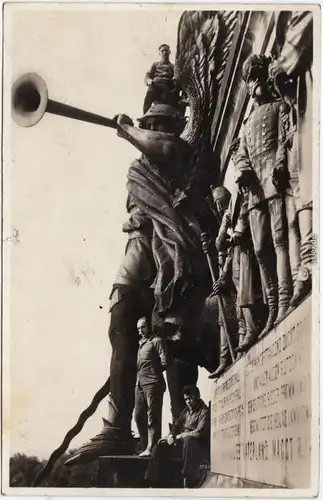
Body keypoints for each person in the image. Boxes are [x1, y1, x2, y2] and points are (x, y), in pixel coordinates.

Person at [235, 54, 295, 338]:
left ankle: (284, 299)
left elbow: (284, 139)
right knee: (260, 249)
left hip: (273, 179)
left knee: (280, 239)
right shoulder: (246, 124)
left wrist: (281, 162)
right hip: (254, 191)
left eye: (255, 79)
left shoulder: (278, 106)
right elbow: (241, 154)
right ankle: (272, 307)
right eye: (249, 81)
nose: (253, 86)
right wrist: (243, 170)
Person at [269, 11, 313, 309]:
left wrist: (278, 67)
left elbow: (288, 56)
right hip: (303, 117)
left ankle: (308, 267)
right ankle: (307, 266)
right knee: (303, 196)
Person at [145, 385, 210, 488]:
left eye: (190, 398)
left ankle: (188, 478)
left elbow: (199, 432)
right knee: (160, 446)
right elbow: (176, 426)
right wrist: (171, 435)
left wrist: (182, 435)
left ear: (197, 396)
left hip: (195, 445)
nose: (188, 402)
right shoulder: (186, 411)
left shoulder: (204, 411)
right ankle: (152, 480)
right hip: (181, 443)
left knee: (189, 440)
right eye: (186, 399)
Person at [134, 317, 168, 456]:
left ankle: (152, 447)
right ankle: (145, 445)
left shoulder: (157, 341)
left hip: (153, 383)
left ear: (149, 327)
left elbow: (165, 361)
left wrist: (154, 371)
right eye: (138, 329)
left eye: (143, 327)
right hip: (140, 384)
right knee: (138, 415)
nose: (141, 331)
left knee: (152, 416)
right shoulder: (141, 343)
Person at [143, 44, 177, 113]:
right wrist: (149, 81)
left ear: (169, 52)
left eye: (166, 50)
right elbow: (148, 75)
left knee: (167, 101)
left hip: (167, 85)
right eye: (162, 51)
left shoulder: (173, 67)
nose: (164, 52)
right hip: (155, 84)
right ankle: (144, 117)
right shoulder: (155, 64)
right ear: (159, 53)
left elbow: (177, 78)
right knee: (149, 95)